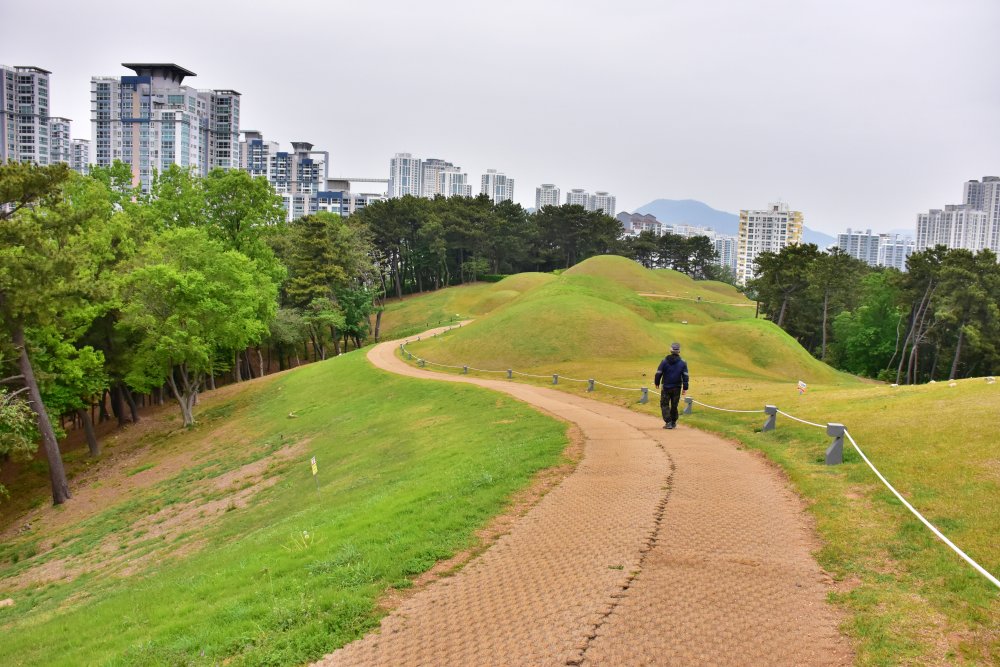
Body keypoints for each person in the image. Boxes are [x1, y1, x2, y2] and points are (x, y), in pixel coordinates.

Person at [654, 342, 689, 429]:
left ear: (671, 350)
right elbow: (685, 375)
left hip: (666, 387)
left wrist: (657, 382)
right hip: (677, 387)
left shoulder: (664, 361)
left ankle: (668, 422)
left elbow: (658, 373)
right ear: (679, 351)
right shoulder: (683, 362)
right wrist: (685, 387)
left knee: (664, 404)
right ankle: (673, 422)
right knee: (674, 405)